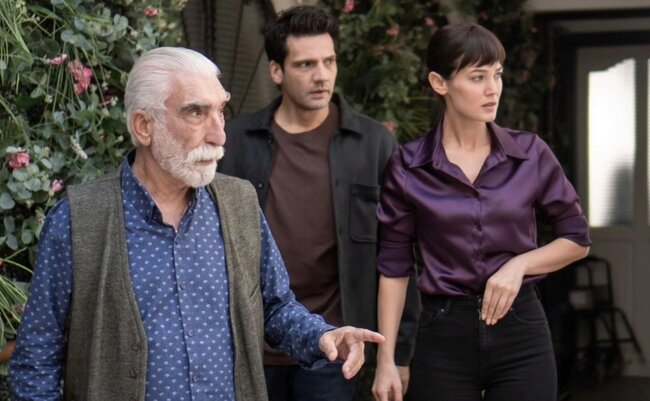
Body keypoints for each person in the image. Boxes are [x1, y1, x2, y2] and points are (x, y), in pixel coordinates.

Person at [9, 46, 385, 401]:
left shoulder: (239, 203)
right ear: (144, 125)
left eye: (220, 111)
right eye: (196, 113)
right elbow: (36, 359)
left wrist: (321, 336)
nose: (219, 134)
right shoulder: (79, 219)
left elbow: (275, 307)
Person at [371, 23, 591, 401]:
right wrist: (386, 359)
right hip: (442, 336)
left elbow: (577, 239)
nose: (493, 89)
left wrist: (519, 265)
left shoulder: (531, 154)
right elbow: (394, 268)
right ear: (440, 83)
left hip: (521, 331)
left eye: (497, 74)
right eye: (478, 77)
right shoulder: (408, 167)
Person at [218, 5, 419, 401]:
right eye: (306, 64)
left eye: (329, 61)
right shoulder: (236, 143)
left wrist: (397, 355)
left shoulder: (374, 145)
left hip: (336, 344)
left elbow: (400, 252)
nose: (322, 75)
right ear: (276, 71)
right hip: (251, 345)